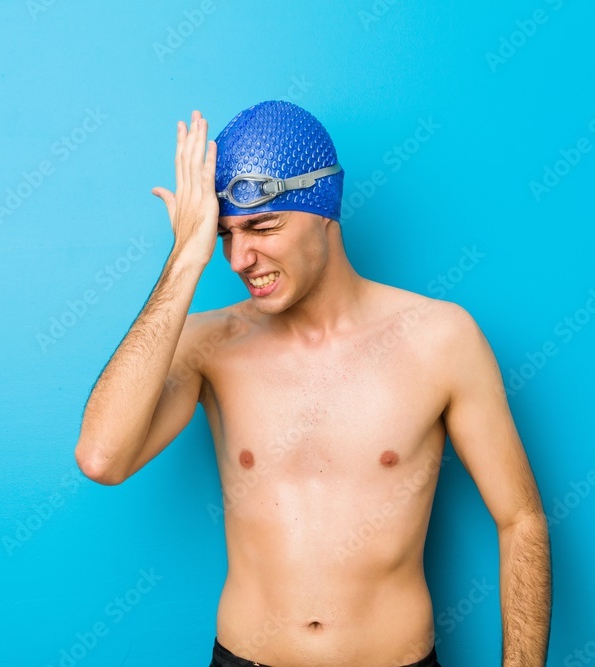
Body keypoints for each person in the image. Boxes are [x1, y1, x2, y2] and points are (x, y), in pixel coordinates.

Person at [74, 101, 551, 667]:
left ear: (325, 209)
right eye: (225, 235)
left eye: (262, 227)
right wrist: (185, 258)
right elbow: (103, 458)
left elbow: (520, 520)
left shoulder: (440, 339)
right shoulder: (212, 344)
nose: (239, 258)